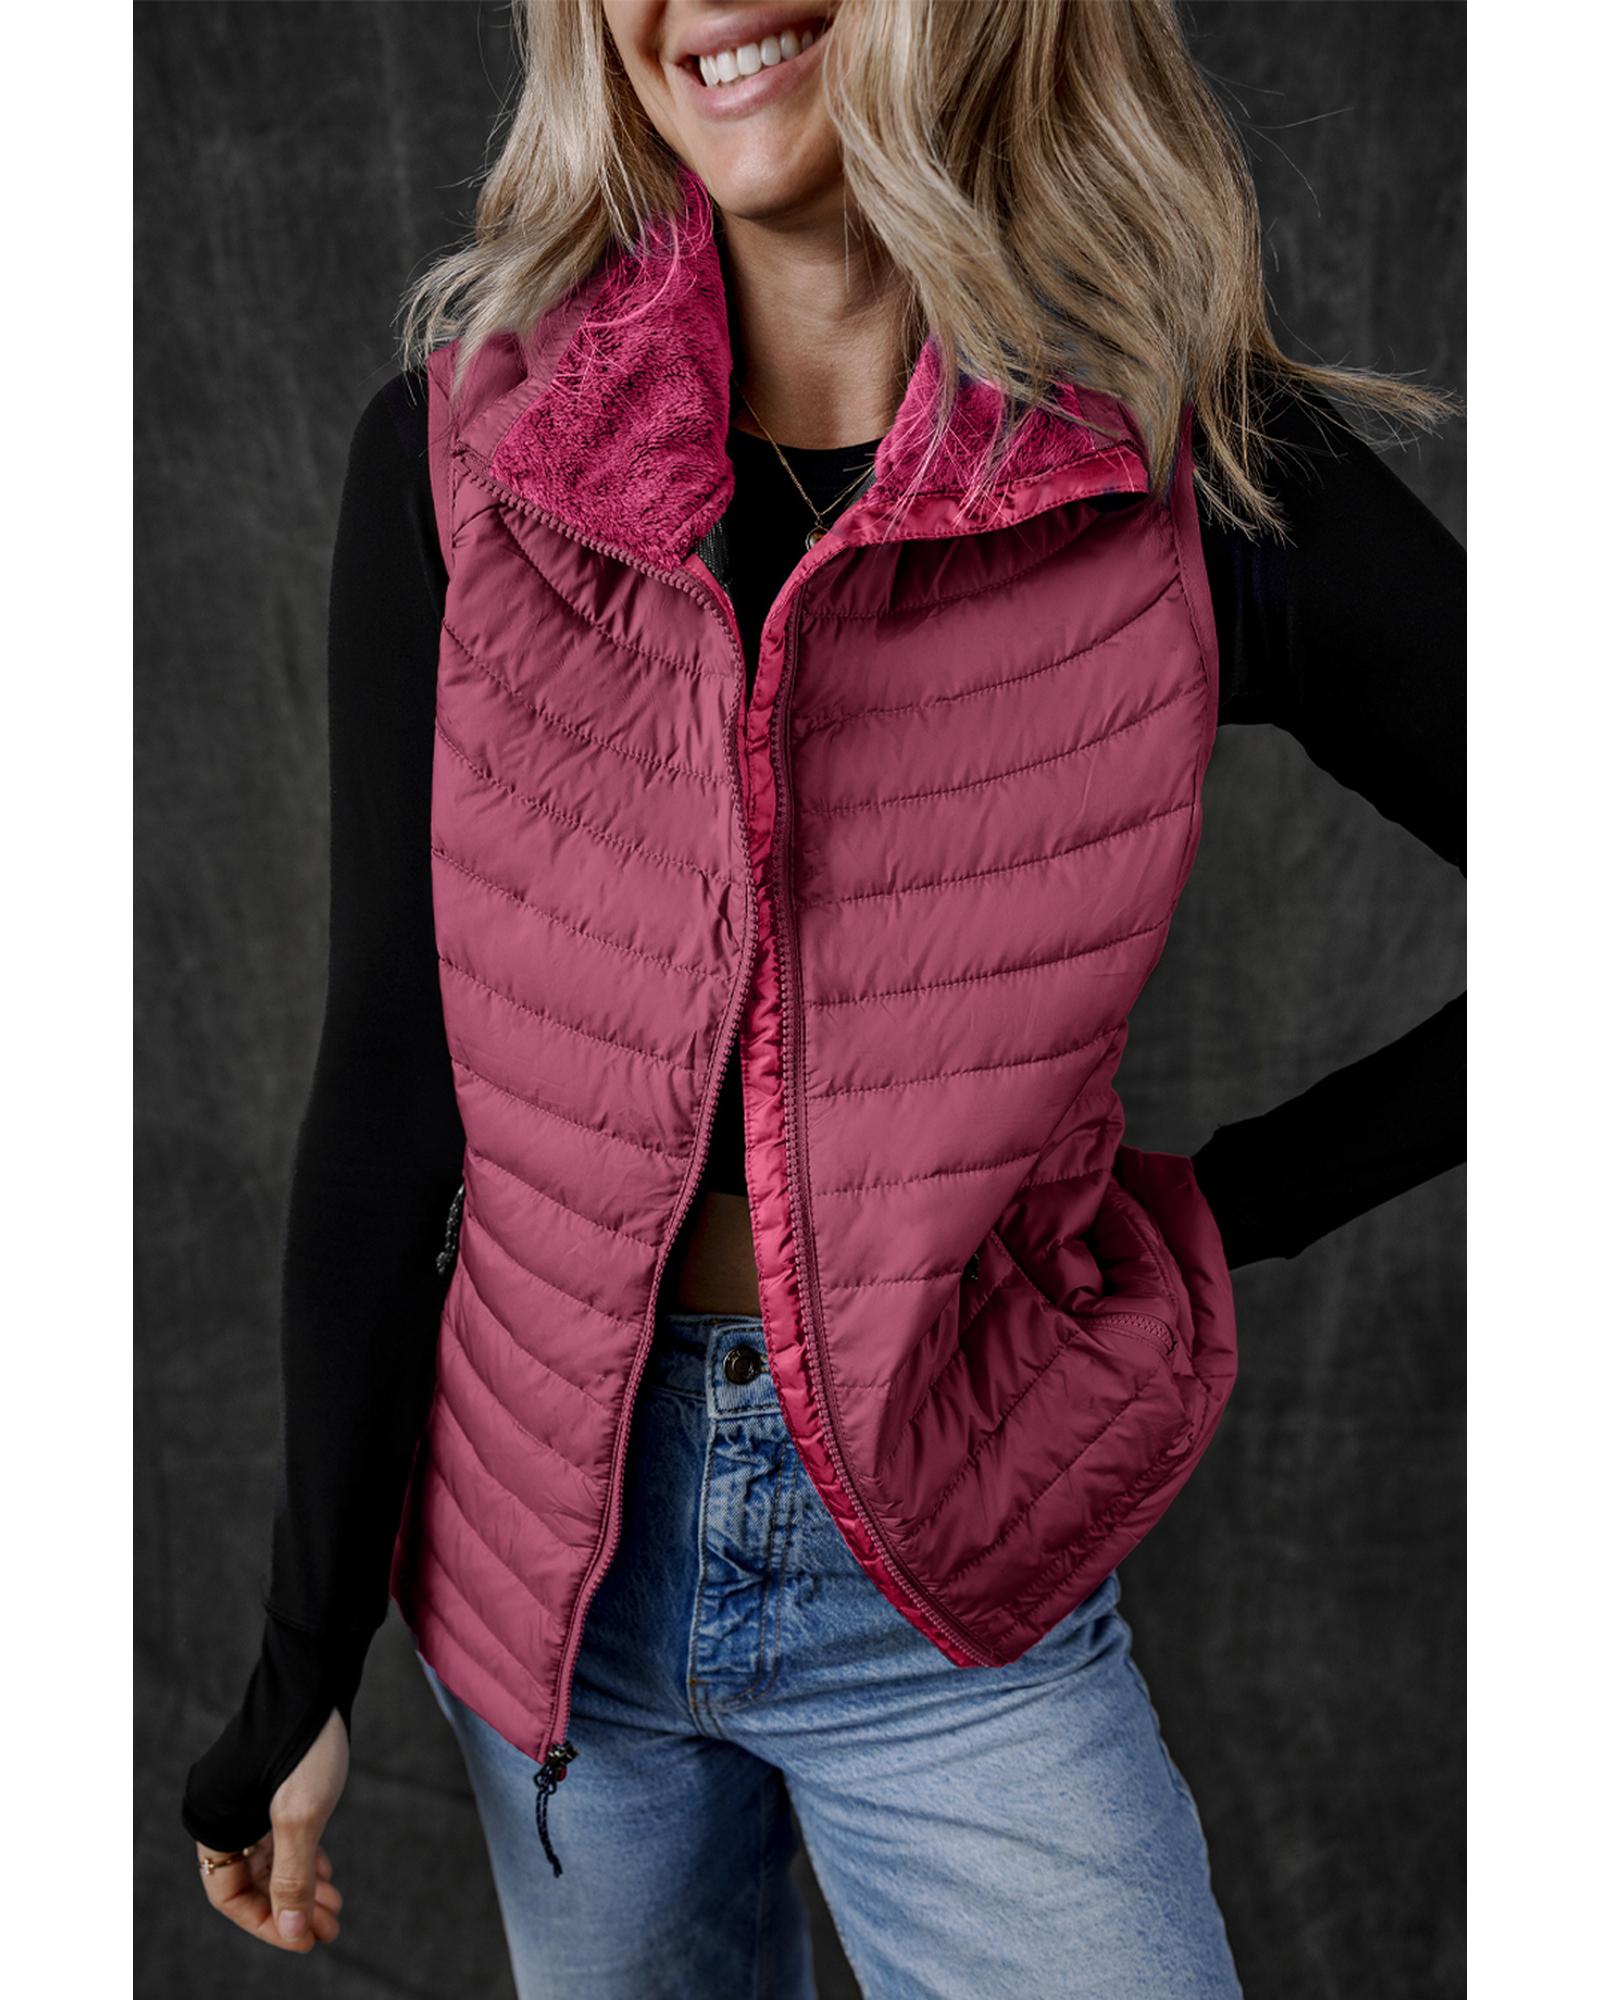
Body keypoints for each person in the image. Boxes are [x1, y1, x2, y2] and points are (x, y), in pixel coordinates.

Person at [180, 3, 1464, 1993]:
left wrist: (1214, 1212)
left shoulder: (1181, 474)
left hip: (951, 1580)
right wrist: (301, 1661)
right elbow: (390, 1095)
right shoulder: (466, 469)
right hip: (546, 1587)